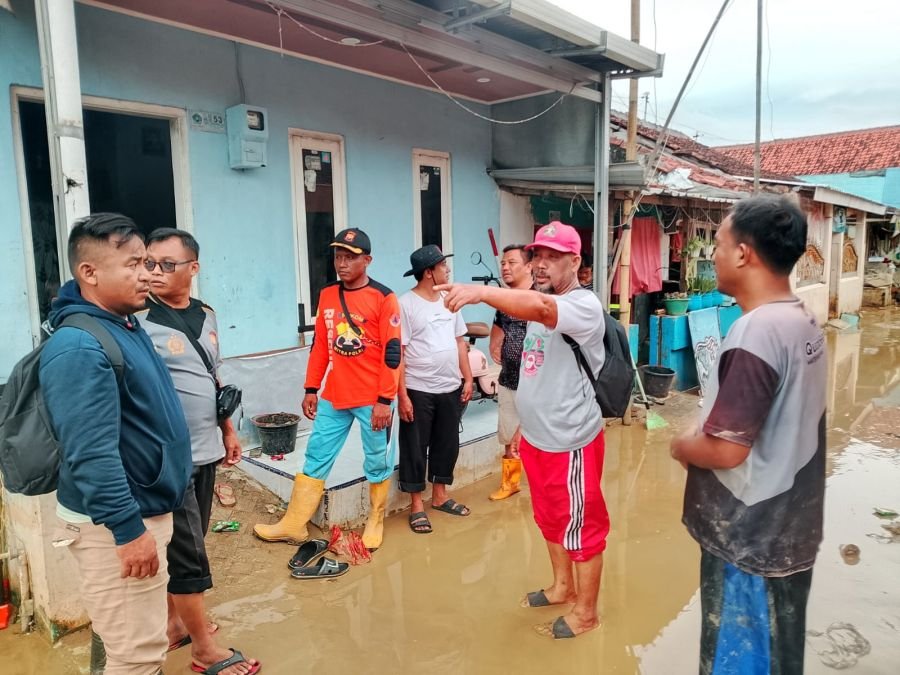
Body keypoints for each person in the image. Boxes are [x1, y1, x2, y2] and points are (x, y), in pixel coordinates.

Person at [670, 195, 826, 675]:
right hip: (788, 533)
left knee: (739, 661)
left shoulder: (755, 332)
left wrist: (681, 444)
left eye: (717, 244)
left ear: (743, 254)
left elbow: (727, 448)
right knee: (780, 657)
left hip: (749, 538)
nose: (712, 255)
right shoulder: (801, 319)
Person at [437, 221, 608, 639]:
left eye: (553, 256)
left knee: (581, 526)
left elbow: (544, 311)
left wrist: (480, 292)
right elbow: (535, 369)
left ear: (576, 262)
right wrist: (522, 431)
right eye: (538, 255)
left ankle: (586, 612)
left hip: (572, 443)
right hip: (537, 438)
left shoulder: (581, 305)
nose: (542, 264)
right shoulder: (538, 300)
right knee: (549, 518)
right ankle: (562, 587)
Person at [40, 214, 192, 674]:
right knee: (137, 655)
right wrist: (128, 532)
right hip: (116, 528)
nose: (148, 274)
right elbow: (89, 453)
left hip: (140, 513)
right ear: (89, 273)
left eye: (148, 262)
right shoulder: (81, 347)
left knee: (136, 646)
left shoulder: (122, 325)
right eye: (134, 264)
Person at [137, 229, 259, 675]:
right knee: (189, 552)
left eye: (167, 264)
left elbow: (214, 377)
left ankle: (174, 625)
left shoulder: (206, 315)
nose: (154, 272)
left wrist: (228, 429)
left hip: (206, 447)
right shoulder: (139, 319)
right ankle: (204, 649)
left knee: (192, 539)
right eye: (149, 262)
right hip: (168, 456)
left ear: (193, 268)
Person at [254, 228, 401, 553]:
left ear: (368, 260)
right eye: (338, 256)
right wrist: (311, 388)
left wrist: (384, 401)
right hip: (335, 395)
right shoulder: (328, 295)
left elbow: (393, 354)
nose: (342, 263)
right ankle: (294, 524)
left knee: (377, 459)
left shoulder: (384, 297)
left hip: (373, 398)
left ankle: (375, 520)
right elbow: (321, 344)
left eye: (350, 257)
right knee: (316, 454)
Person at [397, 245, 474, 534]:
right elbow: (400, 353)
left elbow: (459, 342)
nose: (448, 270)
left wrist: (467, 379)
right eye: (443, 266)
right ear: (429, 273)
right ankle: (417, 504)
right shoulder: (405, 304)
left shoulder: (449, 301)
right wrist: (402, 394)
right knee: (415, 447)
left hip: (449, 387)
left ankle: (440, 496)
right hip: (418, 388)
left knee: (447, 442)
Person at [487, 244, 533, 500]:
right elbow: (497, 329)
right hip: (508, 380)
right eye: (503, 263)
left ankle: (541, 485)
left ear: (528, 266)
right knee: (508, 434)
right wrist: (495, 344)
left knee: (535, 438)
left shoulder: (539, 297)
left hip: (535, 384)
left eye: (512, 262)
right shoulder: (503, 300)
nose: (505, 267)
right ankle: (510, 483)